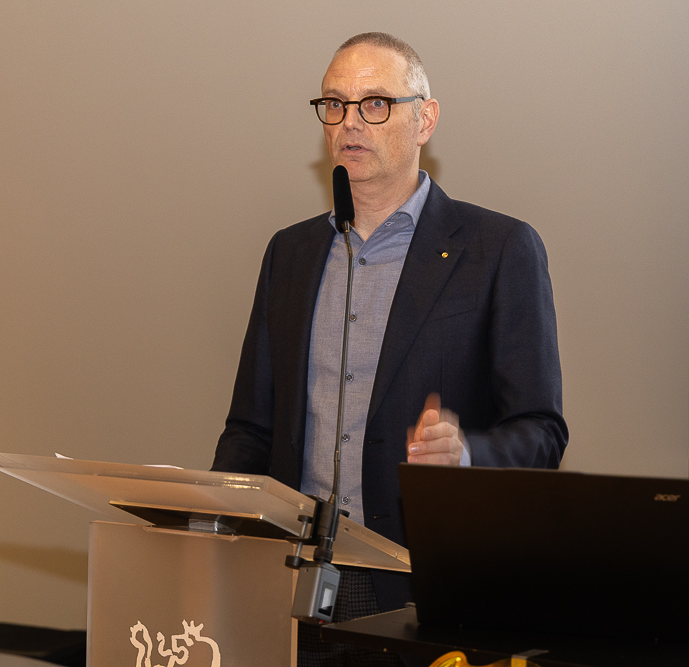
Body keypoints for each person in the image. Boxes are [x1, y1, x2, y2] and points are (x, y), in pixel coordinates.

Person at [212, 32, 568, 666]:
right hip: (290, 584)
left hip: (423, 586)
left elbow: (541, 431)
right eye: (335, 104)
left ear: (424, 119)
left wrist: (465, 453)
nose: (350, 122)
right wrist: (211, 531)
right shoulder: (291, 253)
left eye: (375, 103)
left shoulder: (499, 250)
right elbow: (250, 428)